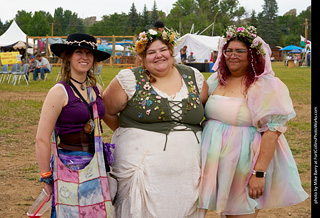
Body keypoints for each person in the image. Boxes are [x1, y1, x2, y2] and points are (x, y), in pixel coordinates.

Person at [198, 25, 308, 217]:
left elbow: (272, 132)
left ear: (252, 55)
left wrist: (259, 174)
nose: (232, 55)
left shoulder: (264, 85)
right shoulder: (216, 80)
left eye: (240, 51)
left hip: (245, 162)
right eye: (229, 51)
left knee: (242, 213)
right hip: (214, 161)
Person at [102, 29, 208, 217]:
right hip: (143, 170)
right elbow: (107, 110)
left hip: (188, 170)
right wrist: (134, 134)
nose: (158, 55)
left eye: (163, 50)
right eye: (151, 52)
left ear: (171, 51)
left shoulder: (193, 77)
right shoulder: (129, 79)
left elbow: (206, 107)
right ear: (143, 57)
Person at [35, 33, 114, 218]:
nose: (84, 57)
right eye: (79, 52)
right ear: (68, 56)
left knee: (97, 212)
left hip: (97, 163)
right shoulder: (59, 92)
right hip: (69, 165)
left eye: (89, 53)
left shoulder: (97, 90)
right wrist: (46, 176)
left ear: (94, 58)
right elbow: (41, 138)